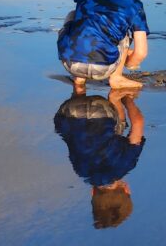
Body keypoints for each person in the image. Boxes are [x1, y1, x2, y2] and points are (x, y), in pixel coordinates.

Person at [53, 89, 146, 229]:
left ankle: (116, 97)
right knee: (79, 133)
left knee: (118, 131)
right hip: (67, 113)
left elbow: (138, 122)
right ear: (92, 192)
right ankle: (79, 85)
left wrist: (128, 100)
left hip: (103, 112)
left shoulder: (126, 165)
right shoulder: (80, 171)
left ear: (127, 189)